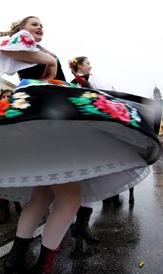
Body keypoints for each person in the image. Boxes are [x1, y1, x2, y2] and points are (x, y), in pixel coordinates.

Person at [0, 17, 162, 273]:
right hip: (45, 115)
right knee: (70, 198)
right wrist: (48, 61)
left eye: (41, 24)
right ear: (21, 28)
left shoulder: (34, 46)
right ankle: (42, 266)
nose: (39, 27)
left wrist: (49, 61)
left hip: (45, 114)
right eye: (34, 23)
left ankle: (15, 258)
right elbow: (3, 49)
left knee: (42, 195)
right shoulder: (25, 40)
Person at [67, 56, 100, 243]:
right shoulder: (71, 84)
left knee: (90, 180)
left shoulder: (92, 82)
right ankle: (74, 223)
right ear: (79, 66)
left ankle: (81, 225)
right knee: (76, 181)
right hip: (76, 136)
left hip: (90, 134)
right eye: (88, 63)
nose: (91, 65)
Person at [0, 89, 23, 225]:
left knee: (12, 180)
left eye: (9, 96)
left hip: (14, 151)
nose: (6, 98)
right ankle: (3, 211)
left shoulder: (19, 111)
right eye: (3, 96)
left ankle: (18, 205)